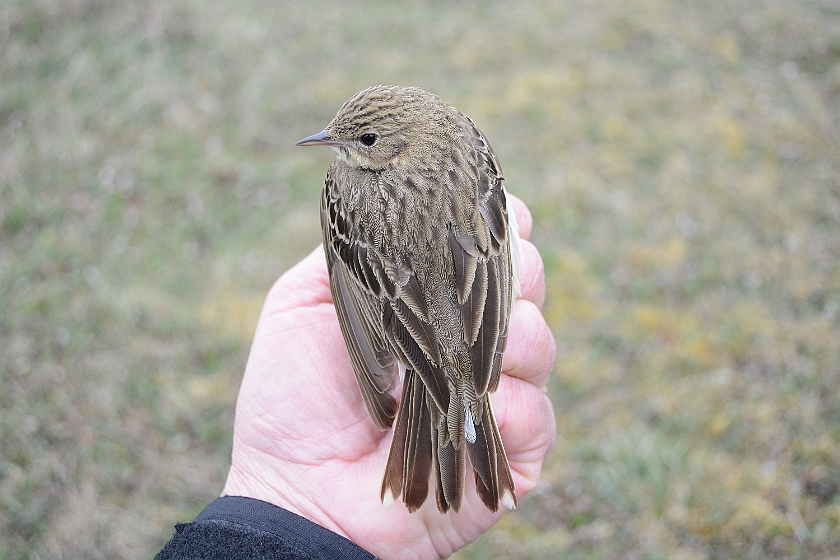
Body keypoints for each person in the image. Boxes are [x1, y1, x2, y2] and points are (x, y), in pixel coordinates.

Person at [156, 196, 556, 559]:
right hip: (462, 333)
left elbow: (353, 282)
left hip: (429, 338)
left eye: (365, 138)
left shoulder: (345, 190)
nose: (330, 139)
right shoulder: (384, 176)